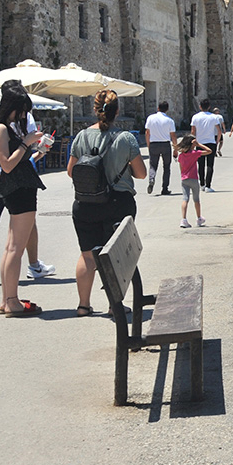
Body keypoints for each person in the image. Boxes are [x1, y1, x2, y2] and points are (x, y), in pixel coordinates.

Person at [68, 90, 146, 317]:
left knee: (87, 255)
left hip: (85, 203)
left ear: (95, 109)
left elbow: (71, 171)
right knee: (115, 255)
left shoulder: (81, 136)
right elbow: (140, 174)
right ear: (117, 111)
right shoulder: (126, 138)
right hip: (118, 203)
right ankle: (114, 304)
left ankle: (83, 305)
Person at [0, 80, 56, 289]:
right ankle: (11, 297)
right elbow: (7, 164)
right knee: (14, 247)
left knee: (10, 245)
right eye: (22, 110)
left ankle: (8, 298)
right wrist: (27, 142)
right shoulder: (1, 128)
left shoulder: (7, 125)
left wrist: (34, 147)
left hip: (15, 185)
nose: (24, 115)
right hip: (14, 186)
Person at [175, 134, 212, 228]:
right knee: (196, 199)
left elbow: (181, 168)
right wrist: (199, 144)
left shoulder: (181, 156)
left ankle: (183, 219)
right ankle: (199, 218)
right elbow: (209, 151)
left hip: (184, 179)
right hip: (194, 178)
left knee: (185, 199)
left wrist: (183, 175)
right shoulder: (194, 153)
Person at [190, 99, 223, 193]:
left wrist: (193, 142)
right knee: (210, 164)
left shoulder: (195, 117)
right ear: (209, 107)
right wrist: (217, 141)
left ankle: (202, 184)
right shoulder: (214, 117)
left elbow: (193, 131)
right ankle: (208, 185)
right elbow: (219, 131)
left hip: (199, 143)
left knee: (200, 164)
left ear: (200, 106)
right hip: (211, 142)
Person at [144, 100, 177, 196]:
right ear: (167, 110)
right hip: (166, 144)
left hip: (154, 143)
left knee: (153, 165)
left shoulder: (151, 118)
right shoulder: (170, 120)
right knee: (166, 167)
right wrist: (175, 148)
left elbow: (147, 133)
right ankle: (165, 188)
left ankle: (151, 179)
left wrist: (148, 144)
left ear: (158, 108)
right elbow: (173, 136)